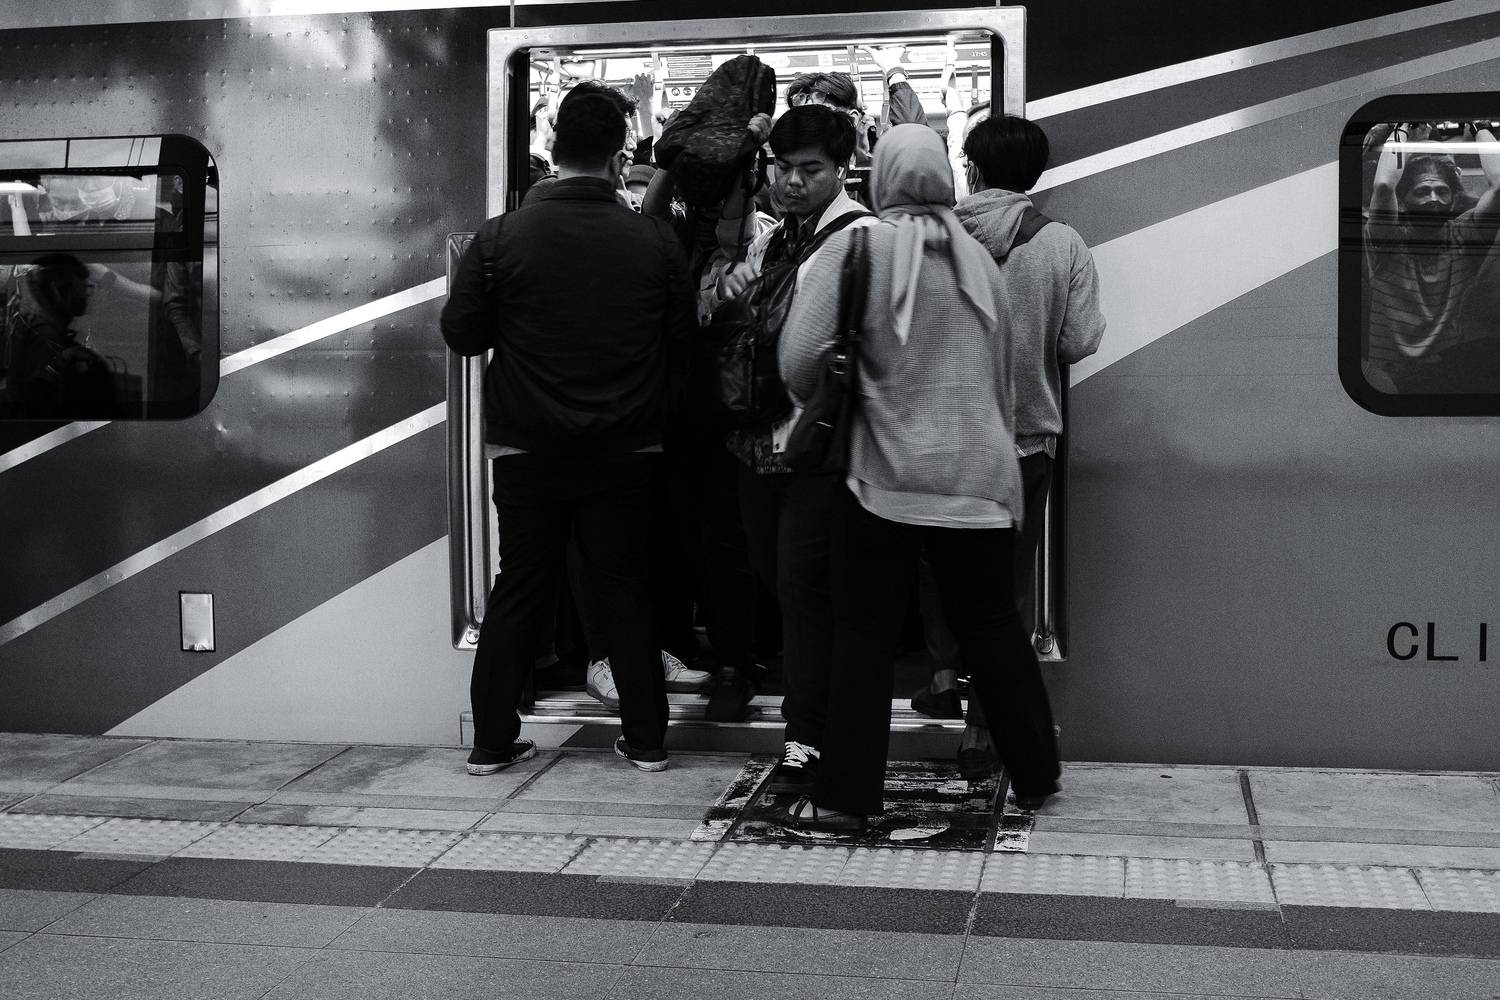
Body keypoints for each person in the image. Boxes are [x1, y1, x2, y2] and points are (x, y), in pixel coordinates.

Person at [777, 124, 1062, 832]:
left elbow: (798, 361)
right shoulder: (980, 260)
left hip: (885, 480)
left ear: (880, 178)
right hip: (981, 479)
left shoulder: (858, 247)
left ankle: (846, 798)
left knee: (864, 636)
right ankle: (1035, 774)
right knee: (993, 629)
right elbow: (1006, 373)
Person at [441, 92, 695, 775]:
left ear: (553, 151)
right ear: (618, 158)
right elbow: (682, 341)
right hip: (627, 445)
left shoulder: (500, 238)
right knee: (625, 585)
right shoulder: (652, 239)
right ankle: (646, 740)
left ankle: (492, 741)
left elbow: (462, 333)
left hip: (527, 446)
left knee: (522, 583)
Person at [915, 113, 1105, 777]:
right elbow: (1079, 341)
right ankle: (980, 731)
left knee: (938, 565)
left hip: (943, 436)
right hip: (1023, 444)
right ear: (1035, 173)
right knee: (1005, 589)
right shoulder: (1062, 243)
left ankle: (943, 672)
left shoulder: (933, 237)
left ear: (971, 169)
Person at [704, 104, 876, 771]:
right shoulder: (775, 240)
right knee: (781, 584)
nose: (793, 182)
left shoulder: (862, 239)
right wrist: (731, 291)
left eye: (811, 170)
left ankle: (808, 736)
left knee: (807, 593)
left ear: (844, 169)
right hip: (758, 444)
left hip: (821, 447)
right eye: (783, 167)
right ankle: (815, 722)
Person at [1364, 123, 1500, 393]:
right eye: (1422, 191)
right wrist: (1401, 126)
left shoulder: (1464, 235)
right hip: (1389, 376)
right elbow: (1384, 185)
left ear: (1453, 200)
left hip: (1446, 369)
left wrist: (1480, 128)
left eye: (1441, 191)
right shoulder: (1389, 239)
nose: (1433, 199)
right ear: (1403, 202)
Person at [0, 253, 119, 419]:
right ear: (58, 289)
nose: (88, 290)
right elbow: (38, 408)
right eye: (81, 282)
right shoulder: (46, 338)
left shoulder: (40, 333)